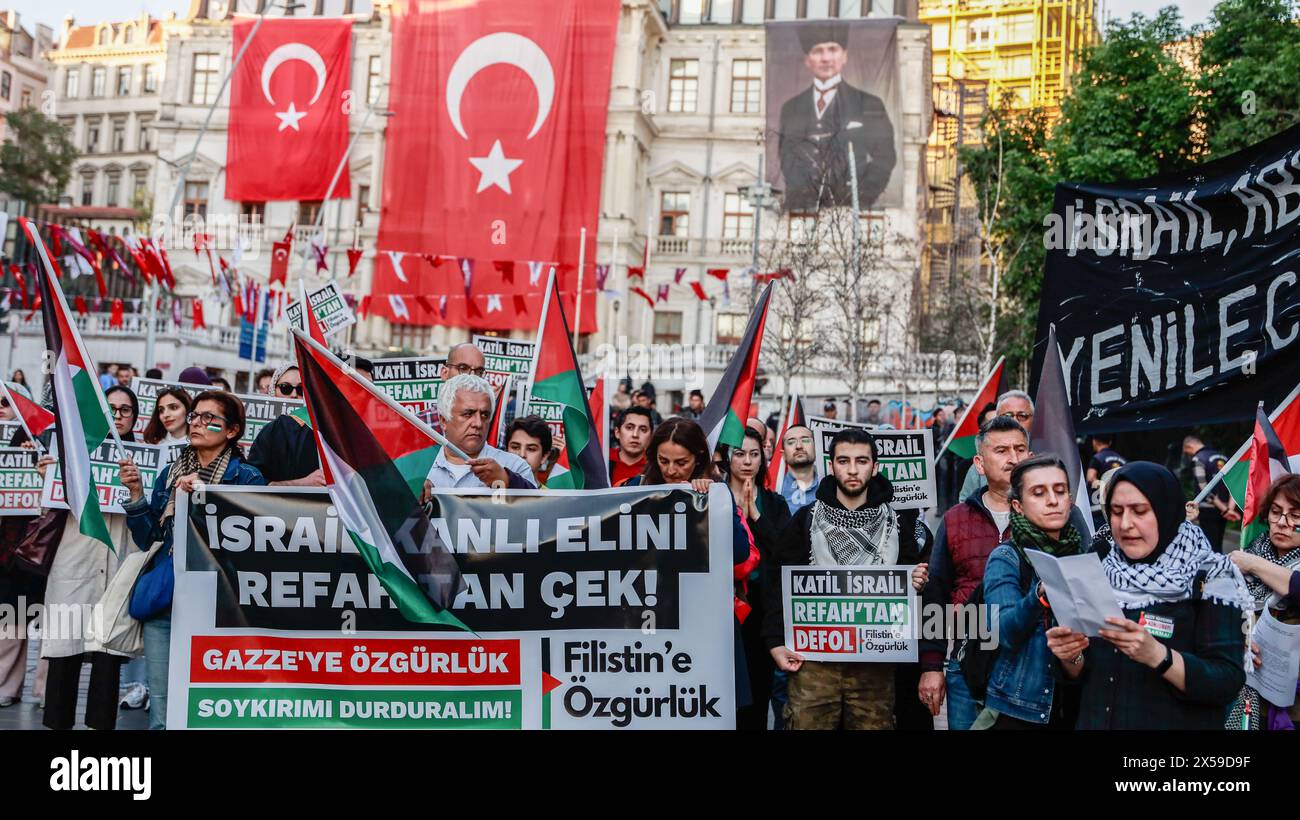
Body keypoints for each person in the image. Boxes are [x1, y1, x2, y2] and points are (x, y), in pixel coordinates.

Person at [1046, 462, 1250, 729]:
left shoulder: (1210, 576)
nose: (1126, 524)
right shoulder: (1098, 567)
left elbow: (1226, 681)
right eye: (1116, 512)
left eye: (1140, 511)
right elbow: (1085, 674)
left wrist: (1158, 655)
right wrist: (1070, 656)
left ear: (1167, 512)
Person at [765, 428, 931, 730]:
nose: (852, 470)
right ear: (831, 466)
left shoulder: (898, 525)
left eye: (861, 461)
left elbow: (915, 596)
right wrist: (775, 642)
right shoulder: (805, 520)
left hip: (876, 668)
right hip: (812, 665)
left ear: (875, 466)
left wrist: (915, 585)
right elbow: (778, 584)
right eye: (843, 461)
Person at [121, 390, 266, 729]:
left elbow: (247, 548)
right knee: (162, 711)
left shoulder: (247, 478)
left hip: (218, 609)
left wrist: (205, 497)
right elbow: (149, 539)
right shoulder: (171, 474)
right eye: (194, 416)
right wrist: (137, 496)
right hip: (166, 602)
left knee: (212, 708)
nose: (197, 424)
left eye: (209, 419)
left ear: (231, 431)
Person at [624, 417, 758, 720]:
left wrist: (712, 503)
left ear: (698, 458)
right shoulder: (634, 489)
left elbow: (737, 553)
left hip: (704, 622)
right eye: (663, 460)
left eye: (681, 462)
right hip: (649, 620)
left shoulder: (715, 493)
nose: (671, 470)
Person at [37, 385, 141, 730]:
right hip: (74, 567)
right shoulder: (70, 456)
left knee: (108, 660)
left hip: (118, 570)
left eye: (126, 410)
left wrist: (136, 489)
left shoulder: (143, 459)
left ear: (135, 419)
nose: (118, 415)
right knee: (64, 656)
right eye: (111, 408)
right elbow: (46, 512)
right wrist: (48, 478)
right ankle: (57, 725)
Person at [918, 415, 1029, 729]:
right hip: (967, 660)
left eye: (1020, 449)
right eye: (1002, 451)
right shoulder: (955, 519)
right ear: (980, 464)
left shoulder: (1054, 516)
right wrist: (931, 666)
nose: (1013, 459)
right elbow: (935, 595)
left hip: (1029, 665)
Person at [980, 454, 1087, 729]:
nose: (1053, 500)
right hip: (1020, 708)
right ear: (1018, 506)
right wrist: (1041, 592)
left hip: (1076, 707)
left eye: (1060, 491)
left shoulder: (1084, 555)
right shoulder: (1006, 557)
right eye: (1038, 493)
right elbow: (1003, 630)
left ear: (1070, 499)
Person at [777, 23, 895, 212]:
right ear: (807, 60)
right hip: (802, 209)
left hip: (849, 209)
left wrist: (862, 198)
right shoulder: (790, 108)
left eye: (832, 49)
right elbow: (786, 157)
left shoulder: (869, 104)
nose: (826, 58)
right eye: (818, 51)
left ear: (844, 56)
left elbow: (885, 158)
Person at [726, 426, 792, 730]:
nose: (747, 461)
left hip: (762, 614)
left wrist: (756, 516)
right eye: (740, 454)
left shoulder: (775, 504)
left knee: (758, 695)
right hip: (724, 613)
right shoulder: (712, 498)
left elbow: (786, 552)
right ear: (728, 458)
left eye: (754, 454)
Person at [1225, 474, 1300, 729]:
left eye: (1295, 516)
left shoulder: (1250, 561)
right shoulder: (1251, 551)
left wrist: (1255, 565)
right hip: (1247, 691)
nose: (1282, 523)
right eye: (1276, 512)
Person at [424, 374, 534, 490]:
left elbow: (537, 505)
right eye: (468, 414)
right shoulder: (418, 471)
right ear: (444, 421)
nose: (478, 423)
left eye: (485, 415)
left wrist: (507, 480)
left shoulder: (514, 466)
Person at [247, 364, 323, 486]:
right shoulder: (270, 431)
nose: (293, 395)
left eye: (301, 389)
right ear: (273, 390)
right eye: (285, 388)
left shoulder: (322, 429)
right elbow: (251, 482)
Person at [957, 390, 1035, 500]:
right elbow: (965, 507)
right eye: (1007, 416)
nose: (1015, 421)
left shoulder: (1050, 457)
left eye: (1022, 416)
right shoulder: (979, 467)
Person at [1184, 435, 1238, 551]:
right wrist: (1230, 508)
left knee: (1210, 545)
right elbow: (1233, 484)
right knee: (1219, 541)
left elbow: (1204, 488)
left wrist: (1225, 509)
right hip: (1225, 508)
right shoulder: (1223, 457)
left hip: (1209, 509)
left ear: (1189, 447)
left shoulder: (1198, 459)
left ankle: (1216, 568)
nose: (1189, 455)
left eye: (1187, 452)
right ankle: (1222, 566)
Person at [777, 423, 820, 514]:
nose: (799, 446)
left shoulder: (830, 486)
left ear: (816, 449)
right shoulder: (774, 487)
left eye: (805, 440)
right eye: (791, 442)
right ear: (783, 455)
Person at [505, 415, 553, 487]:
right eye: (515, 447)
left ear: (544, 457)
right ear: (506, 451)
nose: (522, 454)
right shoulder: (490, 494)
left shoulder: (551, 498)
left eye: (531, 449)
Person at [609, 406, 653, 486]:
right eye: (629, 428)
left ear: (650, 436)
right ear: (617, 432)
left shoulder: (655, 466)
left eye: (643, 429)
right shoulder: (603, 461)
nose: (635, 435)